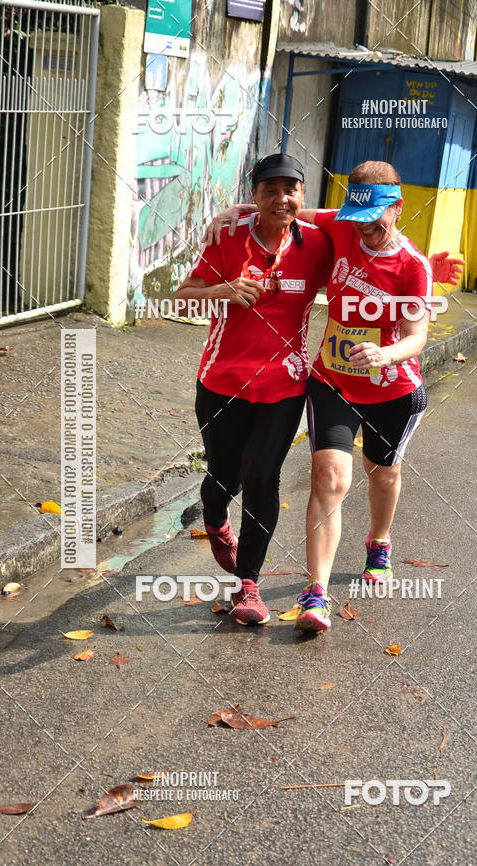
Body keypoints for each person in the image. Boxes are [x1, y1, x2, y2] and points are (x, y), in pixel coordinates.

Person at [208, 161, 461, 633]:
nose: (365, 226)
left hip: (392, 388)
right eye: (358, 215)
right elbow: (289, 211)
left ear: (399, 208)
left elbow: (417, 336)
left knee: (382, 474)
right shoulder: (342, 226)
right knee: (330, 476)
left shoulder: (413, 266)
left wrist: (386, 354)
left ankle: (379, 542)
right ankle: (316, 592)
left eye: (376, 218)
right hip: (334, 382)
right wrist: (237, 210)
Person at [173, 153, 334, 626]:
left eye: (292, 189)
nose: (282, 198)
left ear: (303, 195)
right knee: (225, 476)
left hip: (284, 384)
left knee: (263, 476)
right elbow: (181, 298)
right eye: (270, 190)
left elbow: (359, 234)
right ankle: (216, 516)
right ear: (255, 194)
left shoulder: (318, 245)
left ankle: (248, 586)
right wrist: (223, 290)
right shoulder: (227, 238)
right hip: (222, 381)